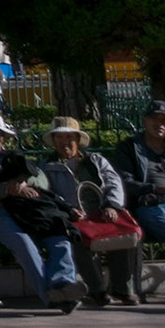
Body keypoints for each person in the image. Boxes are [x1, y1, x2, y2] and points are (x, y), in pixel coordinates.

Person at [0, 106, 87, 308]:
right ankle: (54, 298)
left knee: (60, 234)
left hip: (31, 211)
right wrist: (8, 189)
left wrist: (24, 183)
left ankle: (62, 284)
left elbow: (42, 180)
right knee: (24, 244)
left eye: (0, 133)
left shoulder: (14, 158)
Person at [42, 115, 140, 307]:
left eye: (70, 137)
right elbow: (47, 195)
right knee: (76, 238)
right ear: (53, 141)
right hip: (73, 217)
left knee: (126, 233)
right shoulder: (46, 167)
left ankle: (123, 289)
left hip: (102, 213)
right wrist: (68, 210)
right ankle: (97, 290)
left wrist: (112, 205)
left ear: (78, 140)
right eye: (59, 138)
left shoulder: (95, 160)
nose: (65, 142)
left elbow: (113, 182)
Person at [111, 99, 165, 245]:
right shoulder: (129, 148)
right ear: (145, 121)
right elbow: (125, 183)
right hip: (150, 204)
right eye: (155, 119)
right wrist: (155, 189)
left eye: (164, 120)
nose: (160, 124)